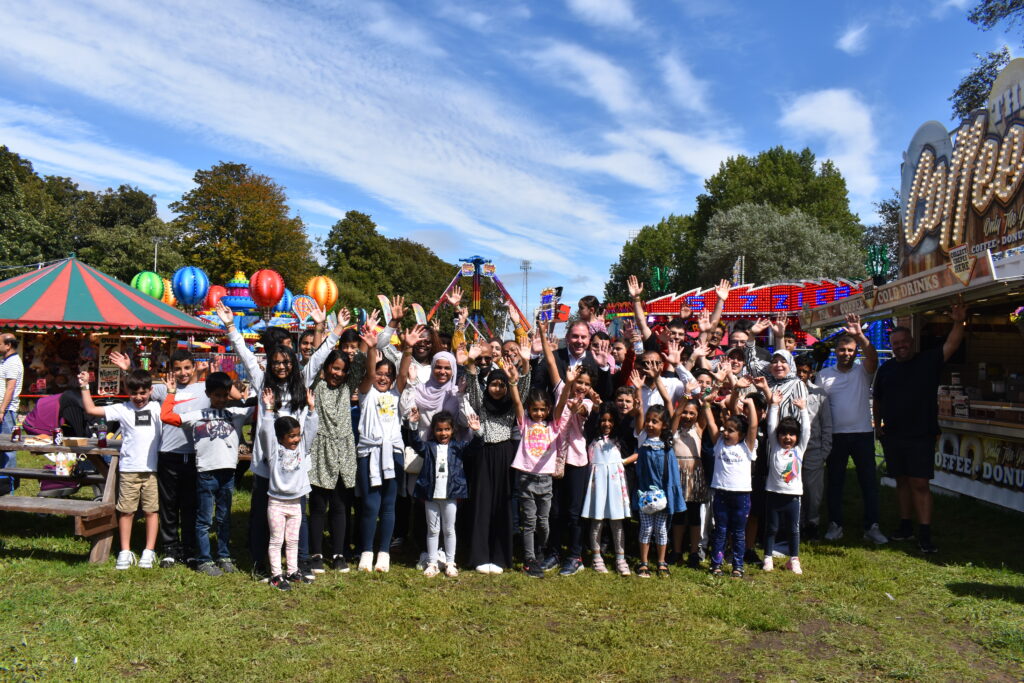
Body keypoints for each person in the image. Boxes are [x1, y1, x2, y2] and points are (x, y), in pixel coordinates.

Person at [216, 301, 344, 581]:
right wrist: (230, 326)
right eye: (276, 363)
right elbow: (245, 355)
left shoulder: (302, 382)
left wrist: (334, 331)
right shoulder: (263, 382)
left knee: (299, 515)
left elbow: (319, 358)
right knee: (263, 514)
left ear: (293, 363)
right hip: (267, 464)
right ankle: (261, 563)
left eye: (286, 362)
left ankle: (300, 563)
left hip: (296, 464)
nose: (282, 367)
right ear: (271, 365)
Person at [873, 305, 967, 553]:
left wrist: (959, 322)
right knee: (901, 481)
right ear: (891, 346)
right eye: (895, 344)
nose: (900, 346)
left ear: (912, 342)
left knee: (920, 483)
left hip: (921, 435)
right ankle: (905, 526)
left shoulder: (927, 361)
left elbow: (952, 345)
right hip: (893, 435)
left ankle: (925, 533)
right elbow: (878, 400)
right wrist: (878, 426)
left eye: (904, 342)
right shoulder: (886, 369)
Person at [160, 372, 252, 577]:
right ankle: (204, 559)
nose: (221, 399)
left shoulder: (237, 413)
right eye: (217, 395)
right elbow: (166, 416)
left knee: (224, 518)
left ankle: (224, 556)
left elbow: (262, 410)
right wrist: (171, 393)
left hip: (228, 473)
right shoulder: (197, 415)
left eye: (225, 395)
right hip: (206, 473)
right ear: (208, 394)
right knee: (204, 520)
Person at [816, 314, 888, 545]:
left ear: (856, 352)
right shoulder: (824, 375)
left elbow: (873, 357)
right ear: (835, 351)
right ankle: (835, 524)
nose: (846, 353)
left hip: (862, 434)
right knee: (835, 482)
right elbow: (817, 407)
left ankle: (872, 526)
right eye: (842, 350)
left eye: (850, 350)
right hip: (835, 436)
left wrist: (860, 336)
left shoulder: (863, 371)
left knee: (869, 482)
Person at [79, 369, 162, 570]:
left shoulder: (158, 407)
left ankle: (149, 550)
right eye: (134, 393)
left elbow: (175, 399)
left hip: (153, 469)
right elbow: (91, 409)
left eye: (143, 393)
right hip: (128, 469)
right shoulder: (122, 409)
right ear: (127, 391)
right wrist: (84, 386)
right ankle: (125, 551)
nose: (139, 397)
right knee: (126, 511)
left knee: (151, 510)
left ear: (151, 391)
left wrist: (173, 390)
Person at [355, 325, 420, 572]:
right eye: (380, 374)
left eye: (387, 375)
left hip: (392, 454)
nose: (383, 378)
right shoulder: (366, 393)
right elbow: (369, 374)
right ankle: (366, 551)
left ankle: (384, 552)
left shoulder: (395, 394)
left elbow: (403, 374)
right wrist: (372, 349)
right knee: (370, 505)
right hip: (369, 454)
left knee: (389, 505)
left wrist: (408, 348)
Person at [539, 321, 595, 576]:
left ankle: (575, 555)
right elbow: (551, 362)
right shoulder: (561, 389)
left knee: (573, 512)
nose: (580, 386)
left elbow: (580, 410)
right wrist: (543, 334)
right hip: (554, 458)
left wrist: (577, 404)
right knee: (554, 510)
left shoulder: (588, 404)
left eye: (585, 384)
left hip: (576, 461)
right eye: (577, 381)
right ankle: (553, 552)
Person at [465, 359, 530, 574]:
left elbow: (522, 390)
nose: (498, 389)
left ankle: (500, 557)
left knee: (503, 504)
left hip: (505, 454)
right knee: (482, 503)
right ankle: (480, 556)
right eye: (494, 384)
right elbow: (473, 387)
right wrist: (470, 364)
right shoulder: (481, 404)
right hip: (484, 454)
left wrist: (524, 364)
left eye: (502, 385)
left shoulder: (511, 405)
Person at [509, 366, 572, 578]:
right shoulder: (525, 424)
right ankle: (529, 559)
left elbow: (562, 404)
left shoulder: (552, 426)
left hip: (545, 480)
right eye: (535, 410)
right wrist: (513, 382)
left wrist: (568, 383)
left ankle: (540, 550)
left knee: (543, 522)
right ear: (530, 410)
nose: (538, 413)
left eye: (542, 410)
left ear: (547, 410)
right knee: (529, 522)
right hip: (526, 478)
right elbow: (517, 403)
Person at [308, 348, 366, 573]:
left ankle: (339, 553)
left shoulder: (347, 388)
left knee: (340, 506)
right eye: (334, 368)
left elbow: (359, 365)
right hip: (320, 449)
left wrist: (367, 342)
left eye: (342, 370)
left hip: (343, 451)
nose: (338, 374)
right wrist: (326, 333)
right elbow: (314, 364)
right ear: (326, 367)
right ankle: (316, 554)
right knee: (318, 505)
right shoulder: (317, 386)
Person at [259, 387, 318, 591]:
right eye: (291, 436)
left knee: (293, 540)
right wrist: (268, 409)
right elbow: (265, 431)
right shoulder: (273, 451)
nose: (296, 439)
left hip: (296, 503)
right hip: (276, 503)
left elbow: (311, 430)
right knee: (276, 540)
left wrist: (311, 409)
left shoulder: (302, 448)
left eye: (297, 435)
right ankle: (276, 575)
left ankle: (293, 571)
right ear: (280, 437)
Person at [409, 410, 481, 577]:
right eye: (439, 430)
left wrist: (477, 432)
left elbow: (475, 447)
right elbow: (415, 443)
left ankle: (450, 562)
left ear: (452, 430)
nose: (443, 433)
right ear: (433, 431)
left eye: (447, 429)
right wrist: (413, 425)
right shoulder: (428, 447)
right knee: (433, 530)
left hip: (451, 495)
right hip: (431, 495)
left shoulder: (458, 447)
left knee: (449, 530)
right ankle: (432, 563)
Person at [704, 393, 759, 578]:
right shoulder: (719, 443)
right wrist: (706, 404)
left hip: (741, 496)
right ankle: (716, 564)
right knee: (720, 530)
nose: (725, 433)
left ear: (741, 435)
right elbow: (711, 424)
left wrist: (750, 405)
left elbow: (753, 426)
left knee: (738, 532)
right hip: (721, 494)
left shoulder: (747, 447)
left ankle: (738, 566)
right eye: (725, 429)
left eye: (731, 431)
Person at [632, 404, 686, 579]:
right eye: (648, 420)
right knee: (646, 528)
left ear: (664, 425)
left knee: (661, 529)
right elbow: (639, 414)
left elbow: (677, 414)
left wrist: (685, 397)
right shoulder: (643, 439)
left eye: (654, 421)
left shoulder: (667, 444)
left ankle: (662, 562)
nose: (649, 424)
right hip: (645, 495)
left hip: (663, 495)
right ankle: (644, 562)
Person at [581, 404, 632, 576]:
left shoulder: (618, 439)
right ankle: (597, 557)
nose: (607, 424)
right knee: (597, 521)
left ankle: (620, 558)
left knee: (617, 522)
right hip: (597, 484)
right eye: (603, 420)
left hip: (615, 484)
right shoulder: (592, 438)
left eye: (610, 420)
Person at [762, 391, 810, 574]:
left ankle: (794, 559)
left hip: (793, 497)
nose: (787, 437)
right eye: (784, 434)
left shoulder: (800, 449)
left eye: (792, 434)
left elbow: (807, 431)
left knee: (793, 530)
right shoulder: (775, 446)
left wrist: (803, 410)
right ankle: (768, 557)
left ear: (797, 437)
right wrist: (774, 405)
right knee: (771, 528)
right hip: (773, 494)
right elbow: (771, 426)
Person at [794, 354, 832, 541]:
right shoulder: (788, 390)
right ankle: (797, 524)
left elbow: (827, 424)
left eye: (805, 371)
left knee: (813, 491)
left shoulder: (819, 393)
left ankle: (812, 523)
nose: (801, 375)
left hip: (814, 449)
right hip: (792, 449)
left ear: (811, 373)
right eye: (798, 371)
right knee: (794, 488)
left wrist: (824, 451)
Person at [670, 398, 710, 569]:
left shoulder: (698, 428)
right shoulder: (674, 430)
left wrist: (707, 400)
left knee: (694, 515)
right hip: (677, 475)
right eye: (685, 412)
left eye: (692, 413)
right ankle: (677, 551)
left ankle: (694, 552)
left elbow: (705, 414)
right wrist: (683, 400)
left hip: (694, 476)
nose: (687, 416)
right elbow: (676, 415)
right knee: (678, 515)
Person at [0, 333, 24, 492]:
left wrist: (2, 409)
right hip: (3, 409)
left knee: (8, 448)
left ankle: (9, 487)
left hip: (6, 410)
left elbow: (10, 388)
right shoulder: (5, 361)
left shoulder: (13, 362)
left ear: (8, 345)